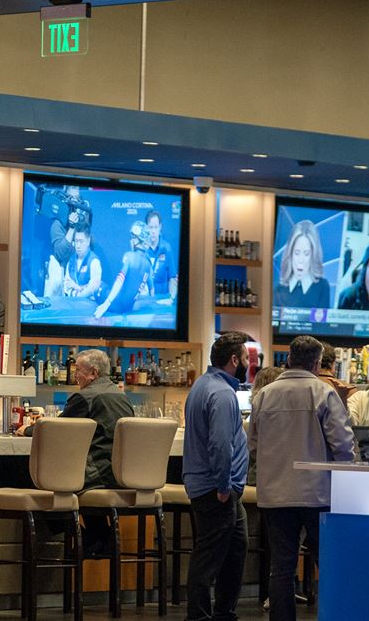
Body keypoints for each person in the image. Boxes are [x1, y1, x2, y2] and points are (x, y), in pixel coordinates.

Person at [249, 335, 355, 621]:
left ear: (288, 359)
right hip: (316, 493)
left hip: (274, 495)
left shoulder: (264, 395)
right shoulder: (323, 393)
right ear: (318, 363)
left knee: (281, 568)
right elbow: (343, 445)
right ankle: (333, 615)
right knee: (327, 563)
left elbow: (253, 445)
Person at [17, 349, 133, 555]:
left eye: (78, 370)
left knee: (42, 480)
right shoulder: (122, 397)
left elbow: (54, 428)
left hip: (97, 474)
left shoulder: (85, 397)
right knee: (71, 477)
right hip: (122, 476)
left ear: (93, 373)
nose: (75, 375)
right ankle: (100, 537)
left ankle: (82, 535)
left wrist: (26, 430)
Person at [182, 332, 250, 621]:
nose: (249, 363)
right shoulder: (222, 394)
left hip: (216, 487)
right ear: (234, 360)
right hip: (217, 488)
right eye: (246, 358)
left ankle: (224, 613)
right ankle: (199, 616)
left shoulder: (203, 384)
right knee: (208, 558)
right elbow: (220, 444)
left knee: (235, 549)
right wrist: (223, 486)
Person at [94, 221, 153, 318]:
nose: (131, 240)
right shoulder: (148, 264)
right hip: (129, 307)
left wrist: (106, 304)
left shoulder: (129, 256)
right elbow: (151, 290)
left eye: (133, 237)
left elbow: (119, 281)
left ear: (138, 240)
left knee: (98, 285)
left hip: (116, 305)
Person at [274, 220, 331, 309]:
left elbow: (322, 317)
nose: (301, 260)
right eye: (297, 253)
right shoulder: (279, 288)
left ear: (313, 256)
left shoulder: (322, 286)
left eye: (306, 254)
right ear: (290, 254)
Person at [61, 223, 103, 301]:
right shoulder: (71, 261)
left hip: (88, 304)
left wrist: (77, 288)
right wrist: (82, 289)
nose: (78, 245)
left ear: (88, 241)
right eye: (76, 241)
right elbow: (66, 286)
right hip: (71, 303)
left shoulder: (94, 262)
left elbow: (93, 288)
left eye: (81, 241)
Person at [143, 210, 177, 299]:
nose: (153, 231)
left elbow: (172, 278)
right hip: (144, 300)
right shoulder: (141, 249)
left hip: (162, 300)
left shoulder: (167, 248)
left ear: (160, 227)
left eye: (156, 227)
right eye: (150, 227)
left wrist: (171, 299)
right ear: (146, 228)